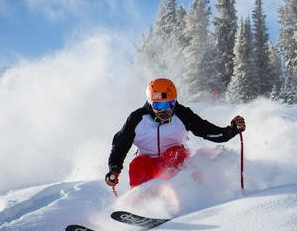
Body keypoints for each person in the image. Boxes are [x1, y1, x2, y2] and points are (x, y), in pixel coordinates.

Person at [105, 78, 246, 189]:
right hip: (147, 163)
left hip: (174, 161)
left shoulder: (182, 114)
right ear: (150, 103)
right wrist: (114, 169)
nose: (165, 110)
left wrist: (231, 130)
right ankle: (142, 204)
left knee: (175, 153)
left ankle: (184, 195)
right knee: (138, 164)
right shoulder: (137, 118)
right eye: (159, 105)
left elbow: (207, 131)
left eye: (170, 104)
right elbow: (120, 145)